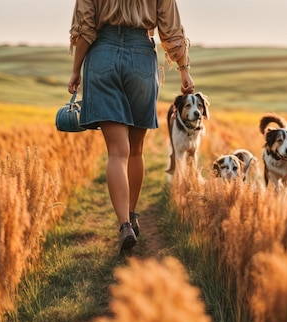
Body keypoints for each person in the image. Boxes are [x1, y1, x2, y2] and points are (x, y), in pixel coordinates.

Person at [67, 0, 195, 255]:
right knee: (136, 150)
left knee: (117, 152)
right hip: (142, 59)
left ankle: (124, 224)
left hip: (101, 55)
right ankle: (133, 217)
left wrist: (75, 71)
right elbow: (171, 30)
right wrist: (184, 70)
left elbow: (84, 28)